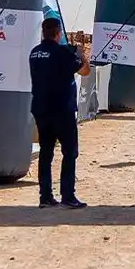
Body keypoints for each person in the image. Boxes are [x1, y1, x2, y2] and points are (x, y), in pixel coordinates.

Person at [29, 17, 91, 209]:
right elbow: (85, 71)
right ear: (58, 33)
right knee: (69, 152)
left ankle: (45, 196)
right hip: (62, 110)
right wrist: (80, 54)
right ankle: (68, 195)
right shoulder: (63, 53)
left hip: (41, 109)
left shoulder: (35, 52)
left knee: (46, 153)